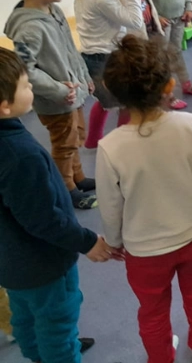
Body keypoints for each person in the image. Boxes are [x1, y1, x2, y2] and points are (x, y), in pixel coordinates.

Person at [96, 35, 192, 363]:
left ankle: (161, 357)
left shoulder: (110, 147)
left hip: (144, 249)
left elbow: (110, 206)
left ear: (114, 92)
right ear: (168, 86)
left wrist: (114, 241)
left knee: (151, 311)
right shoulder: (189, 123)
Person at [0, 48, 113, 363]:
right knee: (57, 324)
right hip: (42, 264)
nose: (32, 88)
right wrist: (87, 241)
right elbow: (42, 218)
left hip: (10, 263)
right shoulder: (19, 155)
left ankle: (35, 354)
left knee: (24, 316)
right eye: (26, 85)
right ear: (4, 105)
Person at [3, 0, 96, 209]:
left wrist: (84, 76)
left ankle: (78, 178)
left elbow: (69, 48)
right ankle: (66, 189)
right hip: (57, 100)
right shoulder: (28, 28)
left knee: (75, 138)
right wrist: (57, 89)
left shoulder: (53, 11)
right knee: (64, 145)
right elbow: (26, 70)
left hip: (74, 93)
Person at [68, 0, 144, 151]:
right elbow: (134, 20)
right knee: (126, 104)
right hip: (105, 59)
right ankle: (124, 146)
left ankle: (93, 140)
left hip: (96, 57)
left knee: (106, 103)